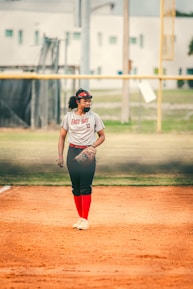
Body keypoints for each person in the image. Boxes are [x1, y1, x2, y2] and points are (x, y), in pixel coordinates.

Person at [57, 88, 105, 230]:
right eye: (85, 100)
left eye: (89, 100)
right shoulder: (68, 117)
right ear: (78, 101)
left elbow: (102, 136)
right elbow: (62, 137)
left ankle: (85, 219)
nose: (88, 103)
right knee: (76, 188)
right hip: (72, 152)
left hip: (87, 153)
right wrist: (60, 155)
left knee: (85, 186)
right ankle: (80, 218)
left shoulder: (94, 117)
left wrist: (92, 147)